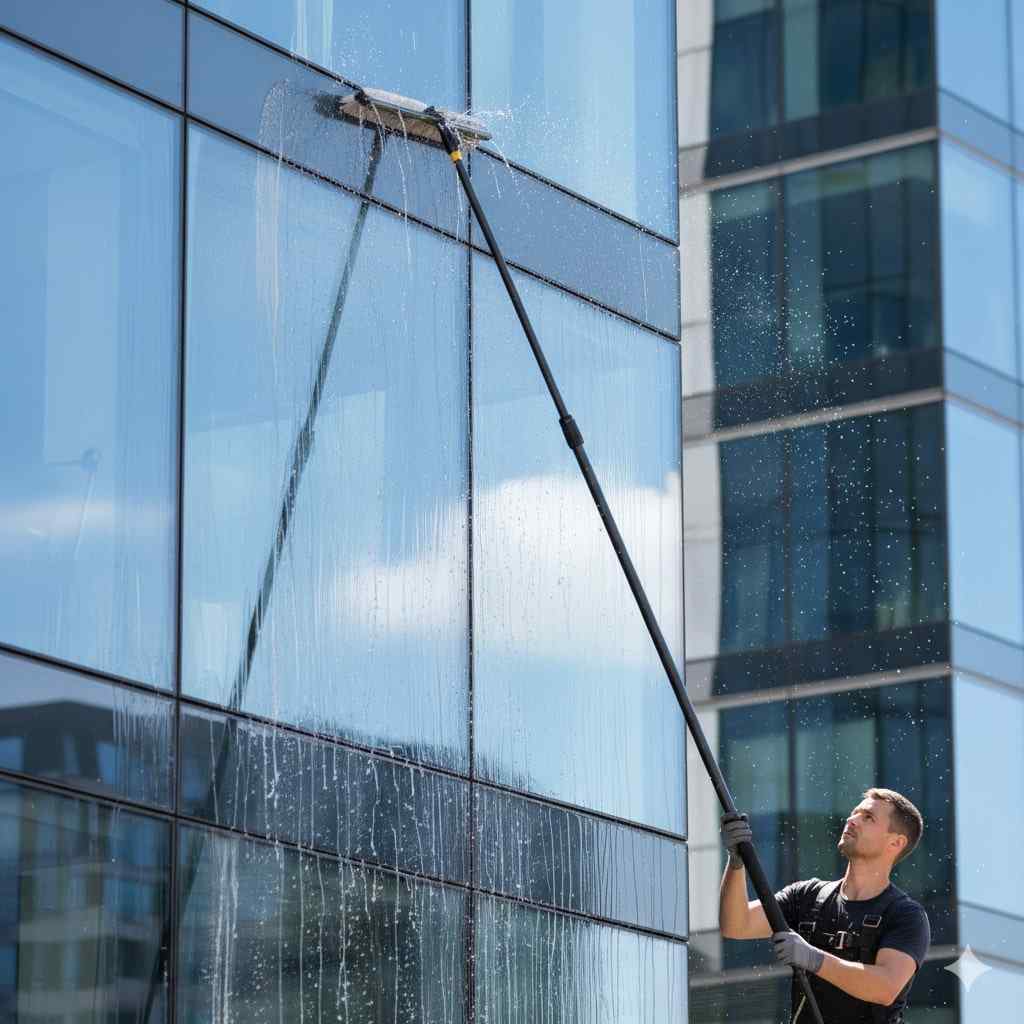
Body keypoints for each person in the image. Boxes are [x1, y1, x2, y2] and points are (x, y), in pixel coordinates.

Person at [719, 788, 931, 1023]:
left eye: (868, 817)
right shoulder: (808, 896)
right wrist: (736, 862)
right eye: (855, 812)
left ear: (896, 842)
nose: (852, 820)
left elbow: (885, 988)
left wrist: (813, 958)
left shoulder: (905, 915)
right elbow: (736, 925)